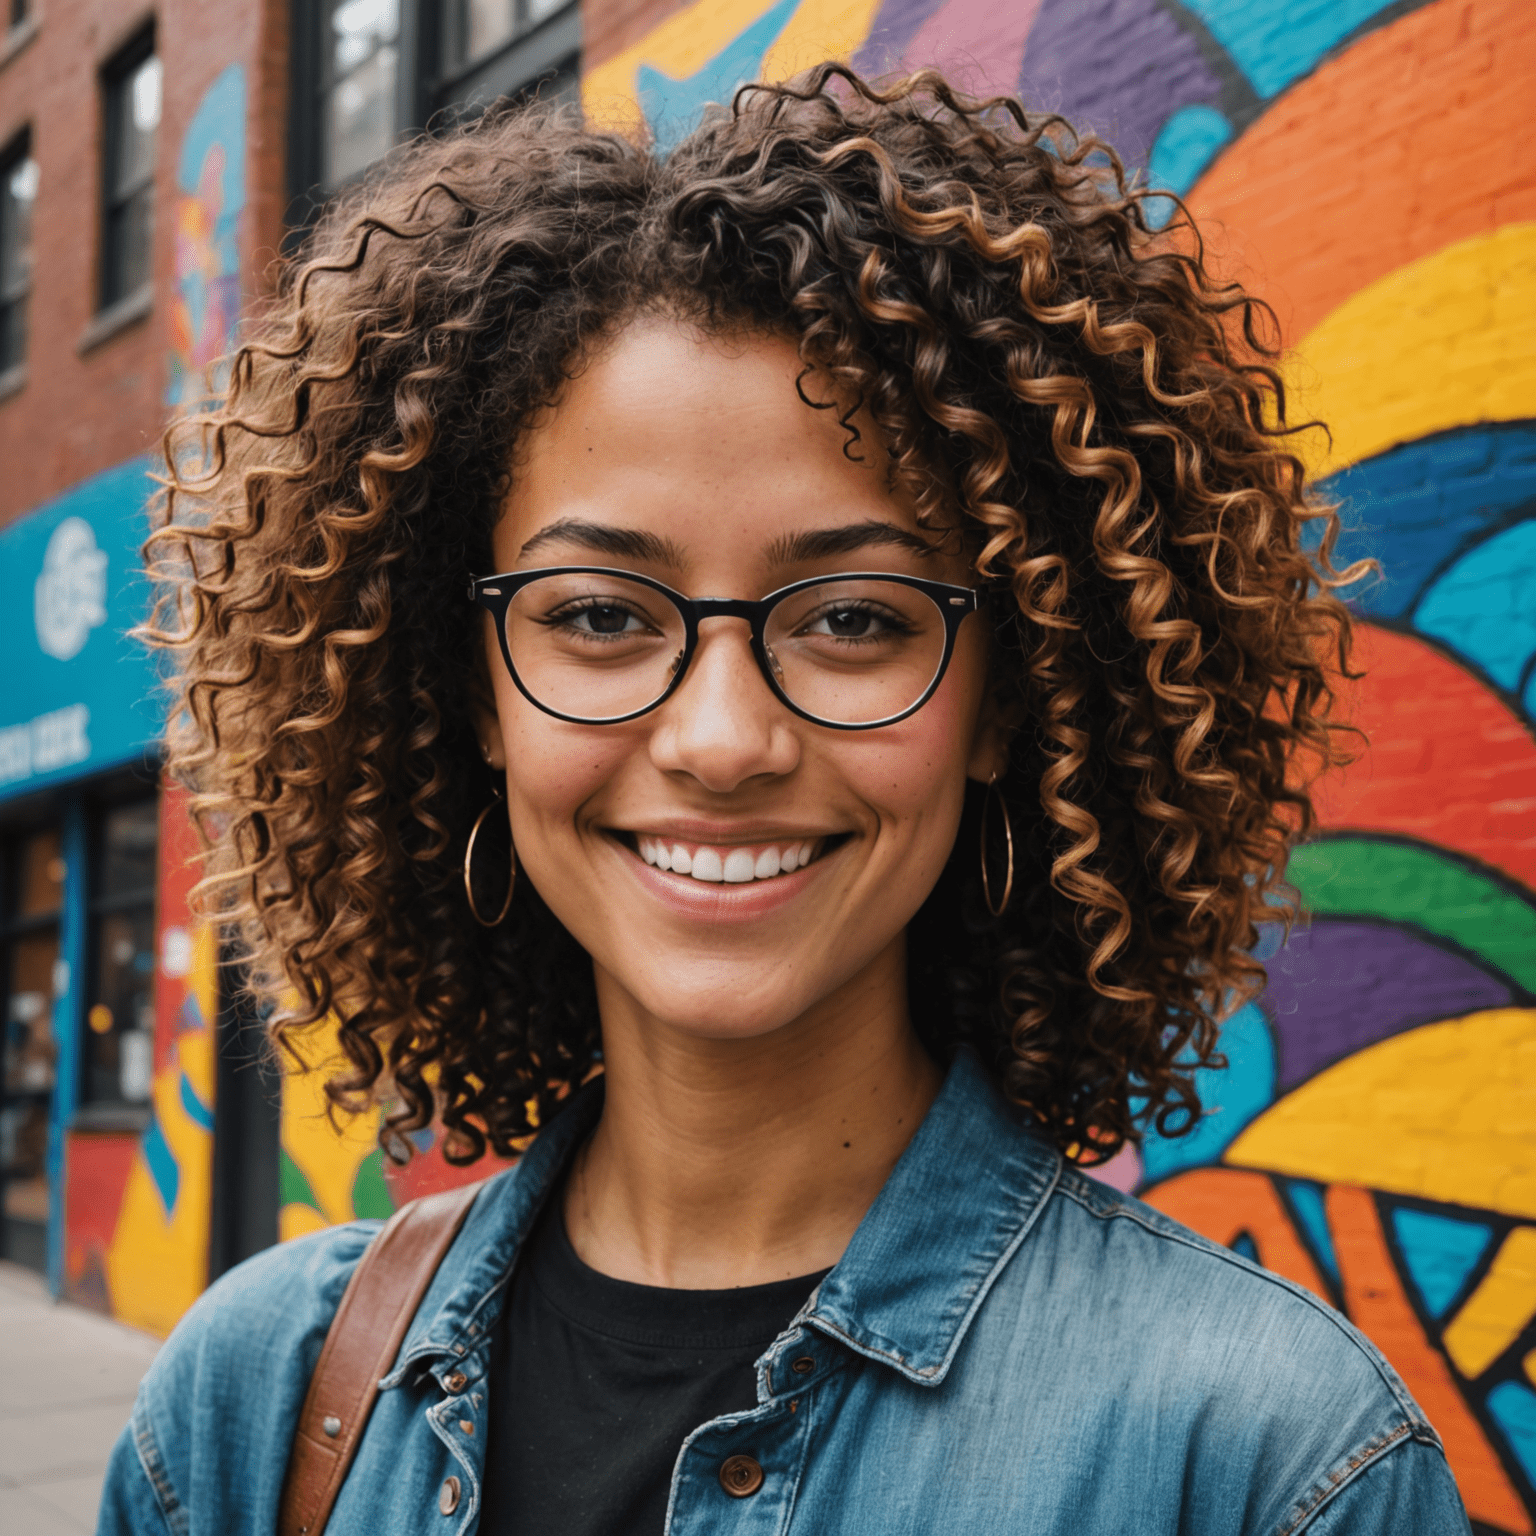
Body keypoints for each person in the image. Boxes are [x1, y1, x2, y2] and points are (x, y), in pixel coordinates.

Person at [99, 68, 1469, 1536]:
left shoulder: (1270, 1465)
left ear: (1006, 698)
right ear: (475, 694)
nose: (722, 736)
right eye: (600, 616)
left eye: (857, 619)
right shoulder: (254, 1407)